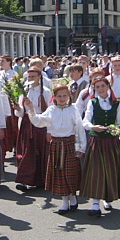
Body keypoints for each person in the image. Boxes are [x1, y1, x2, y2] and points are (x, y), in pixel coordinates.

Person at [24, 84, 86, 214]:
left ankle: (73, 197)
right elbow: (39, 121)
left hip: (70, 144)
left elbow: (79, 128)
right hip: (56, 144)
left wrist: (81, 147)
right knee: (59, 173)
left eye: (65, 96)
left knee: (71, 173)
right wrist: (31, 109)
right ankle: (64, 201)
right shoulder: (52, 110)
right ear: (54, 97)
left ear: (69, 96)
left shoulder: (73, 109)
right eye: (59, 96)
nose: (62, 98)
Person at [81, 76, 120, 216]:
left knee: (110, 169)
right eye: (97, 87)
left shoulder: (116, 103)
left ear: (108, 87)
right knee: (96, 171)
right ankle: (95, 204)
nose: (100, 89)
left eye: (103, 86)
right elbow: (85, 121)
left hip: (111, 141)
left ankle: (108, 197)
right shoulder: (92, 102)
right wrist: (93, 126)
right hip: (97, 141)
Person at [14, 67, 51, 191]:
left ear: (39, 77)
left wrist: (49, 130)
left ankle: (41, 179)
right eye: (29, 77)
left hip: (40, 124)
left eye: (33, 77)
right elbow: (20, 112)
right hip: (26, 123)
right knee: (25, 151)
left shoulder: (45, 91)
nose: (30, 79)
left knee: (40, 151)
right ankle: (24, 180)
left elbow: (50, 110)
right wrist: (17, 108)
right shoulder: (23, 90)